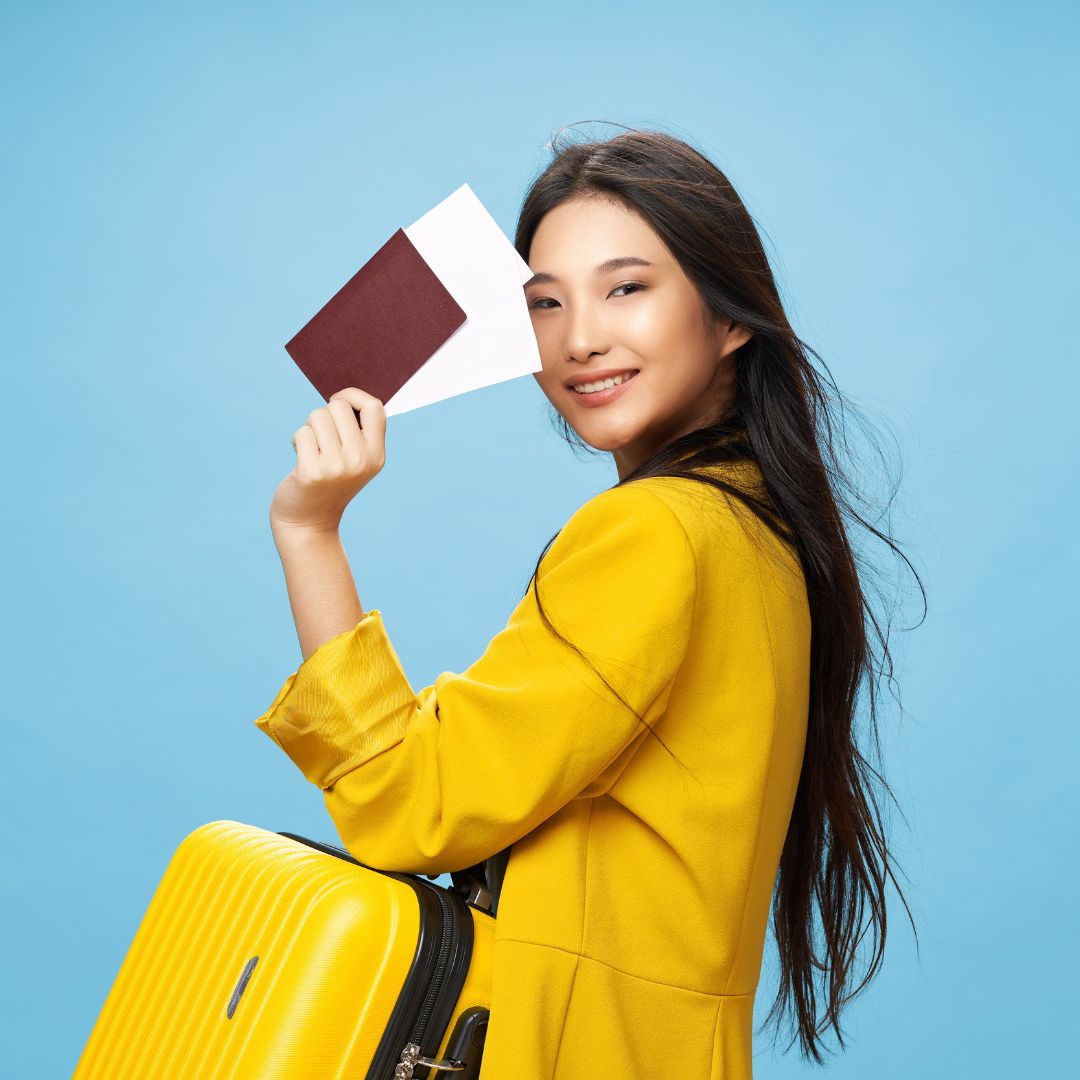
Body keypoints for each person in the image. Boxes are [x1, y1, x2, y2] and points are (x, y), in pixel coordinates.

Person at [253, 126, 922, 1078]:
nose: (580, 339)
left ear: (730, 318)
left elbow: (409, 805)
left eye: (627, 288)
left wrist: (309, 533)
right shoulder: (757, 531)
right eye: (544, 304)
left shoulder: (654, 535)